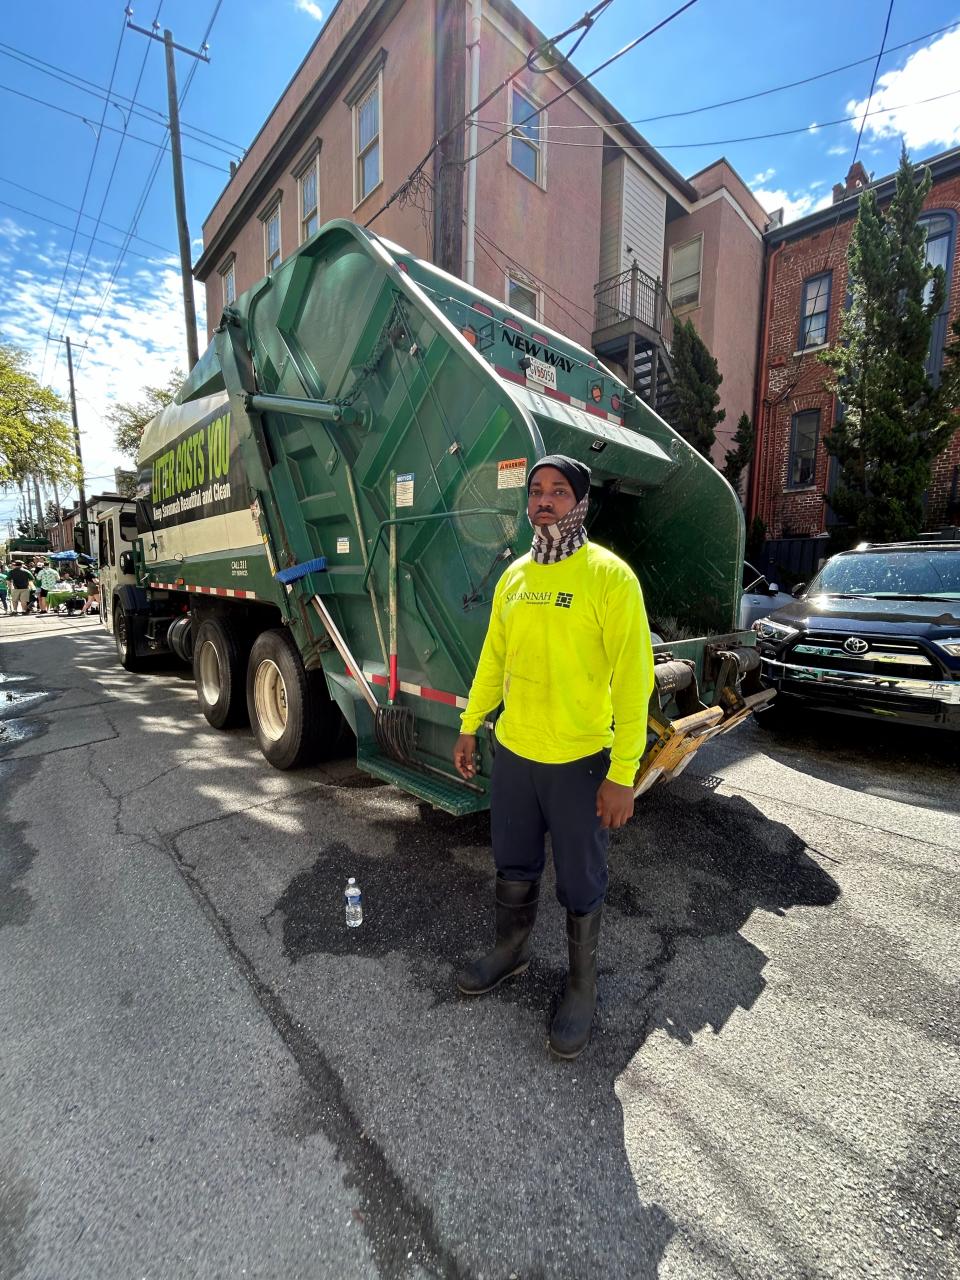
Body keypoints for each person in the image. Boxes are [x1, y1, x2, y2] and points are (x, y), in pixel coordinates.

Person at [453, 454, 654, 1059]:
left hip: (579, 761)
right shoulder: (515, 576)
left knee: (581, 879)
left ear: (580, 503)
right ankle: (510, 952)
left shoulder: (609, 578)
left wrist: (622, 774)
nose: (544, 501)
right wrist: (470, 725)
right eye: (536, 491)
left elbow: (634, 680)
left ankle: (581, 987)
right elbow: (494, 660)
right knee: (513, 862)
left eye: (558, 492)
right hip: (515, 753)